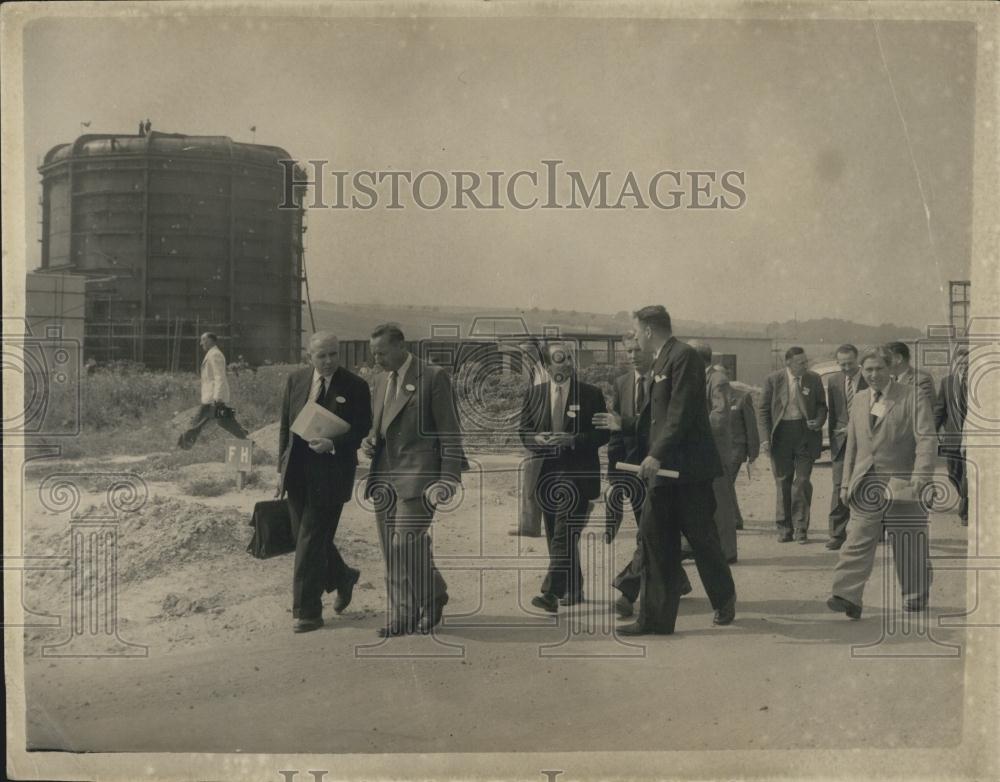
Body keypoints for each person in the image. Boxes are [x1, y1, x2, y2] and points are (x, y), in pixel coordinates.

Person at [618, 305, 736, 636]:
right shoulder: (660, 360)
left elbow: (680, 413)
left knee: (702, 539)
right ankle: (654, 620)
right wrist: (626, 425)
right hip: (663, 472)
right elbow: (654, 417)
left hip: (690, 471)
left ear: (649, 330)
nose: (636, 337)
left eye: (637, 330)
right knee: (655, 539)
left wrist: (656, 454)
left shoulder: (684, 357)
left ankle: (724, 599)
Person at [363, 324, 466, 637]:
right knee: (390, 550)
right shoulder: (380, 380)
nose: (376, 359)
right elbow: (381, 427)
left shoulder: (433, 377)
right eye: (374, 353)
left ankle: (429, 597)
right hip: (384, 476)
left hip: (420, 478)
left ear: (400, 346)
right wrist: (370, 440)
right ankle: (402, 615)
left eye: (381, 352)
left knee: (405, 543)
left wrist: (447, 479)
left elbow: (449, 432)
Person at [828, 347, 936, 619]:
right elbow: (852, 444)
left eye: (878, 369)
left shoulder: (912, 396)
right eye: (868, 370)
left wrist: (921, 477)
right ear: (861, 372)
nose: (873, 374)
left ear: (890, 370)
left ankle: (915, 595)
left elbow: (926, 439)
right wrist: (844, 483)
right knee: (857, 538)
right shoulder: (861, 399)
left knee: (908, 542)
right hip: (866, 481)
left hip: (903, 480)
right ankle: (847, 595)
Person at [277, 332, 372, 633]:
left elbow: (362, 429)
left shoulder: (355, 386)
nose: (329, 361)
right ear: (309, 356)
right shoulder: (296, 380)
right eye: (322, 356)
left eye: (333, 354)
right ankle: (343, 576)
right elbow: (285, 427)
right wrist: (280, 471)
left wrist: (333, 444)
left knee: (309, 541)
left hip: (331, 476)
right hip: (297, 474)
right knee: (305, 538)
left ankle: (307, 612)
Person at [595, 334, 692, 620]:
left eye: (638, 349)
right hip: (632, 471)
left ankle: (627, 591)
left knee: (650, 532)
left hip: (663, 470)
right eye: (629, 351)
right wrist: (615, 477)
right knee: (652, 532)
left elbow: (668, 426)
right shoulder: (622, 383)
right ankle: (679, 580)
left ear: (652, 350)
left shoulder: (666, 381)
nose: (633, 355)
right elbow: (616, 433)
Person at [521, 341, 609, 612]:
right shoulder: (534, 395)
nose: (568, 363)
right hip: (545, 473)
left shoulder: (591, 394)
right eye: (560, 359)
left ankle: (551, 593)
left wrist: (573, 439)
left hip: (578, 474)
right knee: (558, 534)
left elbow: (603, 434)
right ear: (548, 366)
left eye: (569, 358)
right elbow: (523, 433)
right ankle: (574, 587)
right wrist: (536, 438)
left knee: (562, 532)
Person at [758, 346, 827, 543]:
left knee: (802, 481)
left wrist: (819, 421)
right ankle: (784, 527)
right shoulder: (773, 380)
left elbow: (822, 405)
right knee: (782, 482)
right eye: (800, 363)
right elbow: (762, 411)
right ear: (788, 363)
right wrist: (765, 439)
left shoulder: (813, 379)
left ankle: (800, 527)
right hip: (781, 435)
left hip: (805, 435)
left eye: (806, 362)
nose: (805, 365)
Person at [690, 341, 740, 563]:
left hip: (715, 451)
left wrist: (694, 427)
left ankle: (728, 551)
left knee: (721, 502)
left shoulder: (718, 380)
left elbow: (720, 414)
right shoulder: (693, 378)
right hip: (697, 451)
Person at [825, 344, 868, 550]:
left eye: (850, 363)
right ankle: (837, 534)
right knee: (838, 486)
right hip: (841, 443)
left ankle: (870, 532)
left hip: (868, 441)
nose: (847, 368)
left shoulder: (870, 379)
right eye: (842, 364)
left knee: (867, 485)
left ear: (857, 359)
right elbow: (834, 414)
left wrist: (856, 428)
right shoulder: (834, 381)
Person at [177, 332, 248, 449]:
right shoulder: (212, 354)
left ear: (210, 340)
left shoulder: (215, 355)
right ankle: (245, 437)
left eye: (203, 340)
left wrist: (218, 397)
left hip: (213, 397)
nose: (201, 343)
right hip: (212, 396)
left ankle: (185, 446)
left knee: (198, 421)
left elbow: (219, 376)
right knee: (224, 421)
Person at [511, 337, 547, 538]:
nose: (525, 356)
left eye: (527, 352)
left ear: (537, 351)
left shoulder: (545, 372)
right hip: (533, 432)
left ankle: (530, 526)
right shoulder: (535, 371)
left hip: (540, 433)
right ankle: (529, 524)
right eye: (522, 353)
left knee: (532, 479)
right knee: (531, 478)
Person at [934, 346, 969, 525]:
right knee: (953, 474)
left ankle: (965, 512)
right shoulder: (946, 382)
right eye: (960, 363)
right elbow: (940, 409)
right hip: (952, 438)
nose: (963, 366)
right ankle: (966, 498)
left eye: (966, 363)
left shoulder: (977, 382)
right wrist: (933, 430)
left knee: (967, 476)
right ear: (954, 364)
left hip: (972, 439)